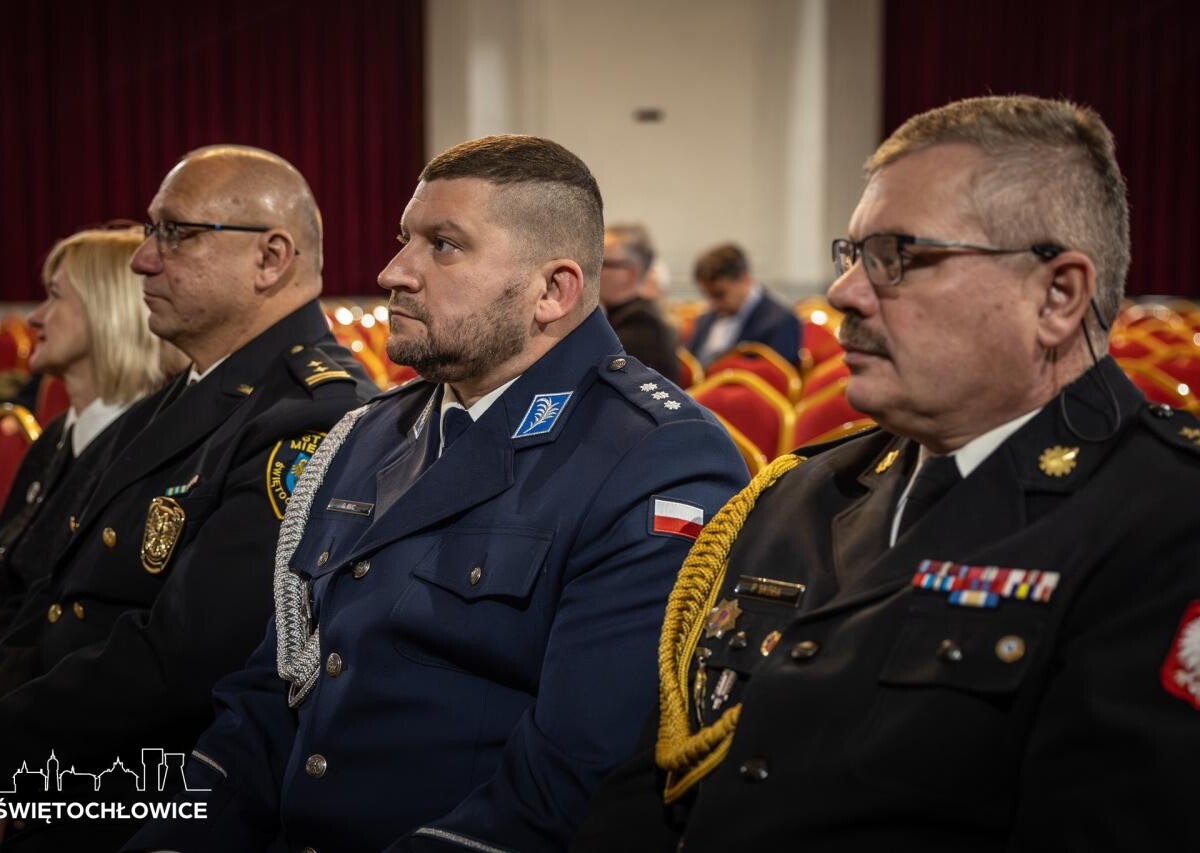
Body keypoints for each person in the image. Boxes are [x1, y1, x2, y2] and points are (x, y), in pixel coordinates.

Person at [572, 95, 1200, 851]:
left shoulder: (1166, 518)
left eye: (899, 256)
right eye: (853, 255)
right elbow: (654, 779)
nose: (845, 293)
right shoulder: (797, 490)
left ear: (1056, 295)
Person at [130, 134, 748, 853]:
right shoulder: (367, 434)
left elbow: (574, 781)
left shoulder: (658, 458)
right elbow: (269, 696)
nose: (394, 270)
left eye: (444, 245)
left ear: (553, 290)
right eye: (404, 239)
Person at [0, 145, 375, 850]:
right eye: (149, 232)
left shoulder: (310, 416)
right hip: (64, 755)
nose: (143, 258)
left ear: (270, 258)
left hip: (152, 794)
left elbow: (186, 663)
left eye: (174, 232)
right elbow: (49, 588)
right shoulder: (188, 393)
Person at [0, 225, 186, 632]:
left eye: (55, 295)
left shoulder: (146, 445)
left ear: (106, 310)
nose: (35, 317)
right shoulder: (59, 435)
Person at [686, 242, 801, 366]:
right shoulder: (704, 320)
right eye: (708, 296)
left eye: (720, 294)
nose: (714, 303)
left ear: (744, 279)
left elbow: (779, 377)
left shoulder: (781, 321)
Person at [599, 223, 679, 383]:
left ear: (631, 273)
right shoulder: (620, 316)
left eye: (603, 263)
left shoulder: (643, 329)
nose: (593, 270)